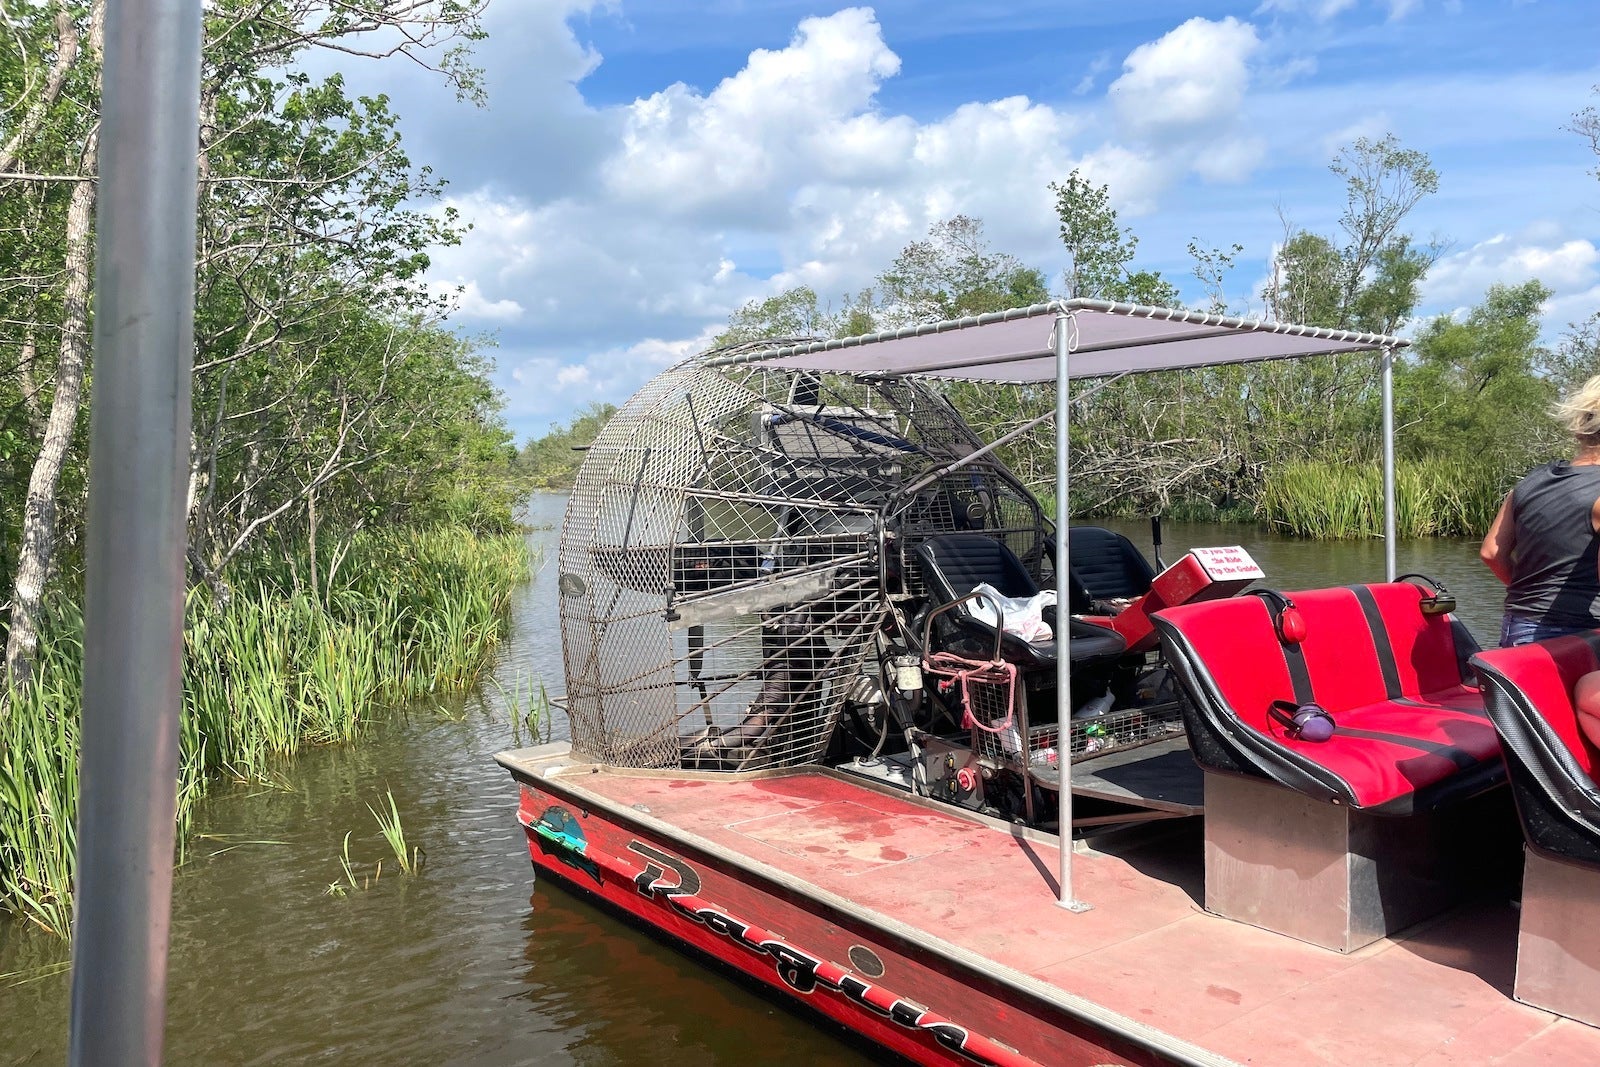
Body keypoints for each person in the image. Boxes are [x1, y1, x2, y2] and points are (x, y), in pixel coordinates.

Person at [1481, 373, 1600, 646]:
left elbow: (1491, 553)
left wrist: (1533, 596)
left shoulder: (1532, 482)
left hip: (1520, 627)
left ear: (1579, 430)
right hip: (1583, 635)